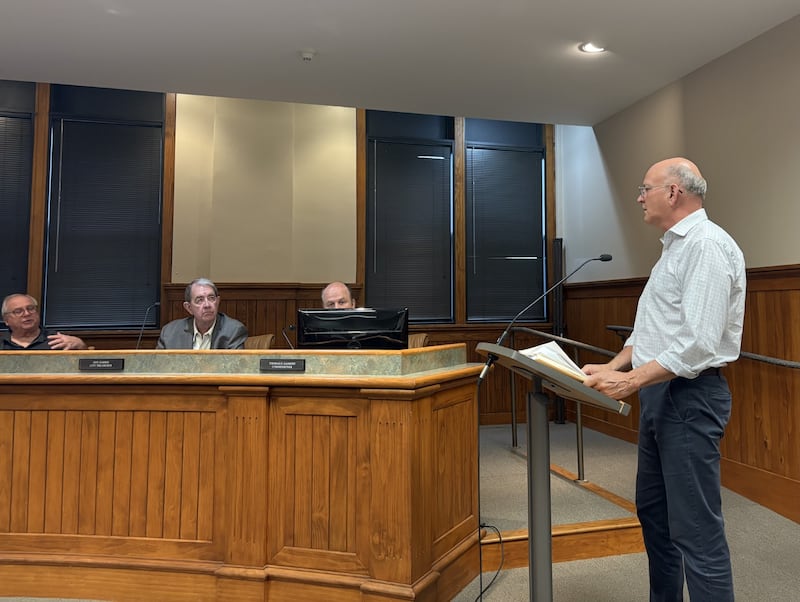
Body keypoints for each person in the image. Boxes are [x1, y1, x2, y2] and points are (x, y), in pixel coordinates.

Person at [582, 157, 745, 601]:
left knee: (696, 529)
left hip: (689, 396)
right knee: (655, 517)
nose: (639, 197)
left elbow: (697, 342)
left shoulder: (706, 246)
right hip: (660, 392)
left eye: (645, 188)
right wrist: (615, 366)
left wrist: (632, 382)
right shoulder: (673, 248)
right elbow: (654, 329)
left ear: (673, 192)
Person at [156, 278, 247, 349]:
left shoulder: (233, 331)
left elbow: (234, 369)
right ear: (189, 308)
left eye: (211, 298)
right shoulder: (170, 333)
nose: (207, 305)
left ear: (218, 301)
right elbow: (159, 367)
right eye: (200, 300)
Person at [1, 293, 88, 350]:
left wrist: (81, 346)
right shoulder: (2, 343)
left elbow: (86, 367)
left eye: (30, 308)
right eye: (18, 311)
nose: (27, 314)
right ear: (6, 320)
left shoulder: (58, 340)